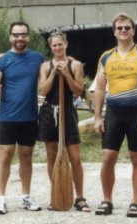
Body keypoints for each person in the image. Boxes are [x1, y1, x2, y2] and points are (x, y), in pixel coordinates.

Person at [93, 13, 137, 217]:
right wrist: (97, 116)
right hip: (114, 112)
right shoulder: (106, 57)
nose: (123, 31)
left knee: (136, 156)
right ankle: (107, 200)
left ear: (133, 30)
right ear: (114, 32)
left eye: (127, 28)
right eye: (119, 28)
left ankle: (135, 202)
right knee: (107, 157)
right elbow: (99, 87)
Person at [0, 21, 45, 215]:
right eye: (16, 35)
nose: (20, 38)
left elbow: (46, 81)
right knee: (5, 155)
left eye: (23, 35)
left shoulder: (38, 58)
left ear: (28, 36)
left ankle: (25, 196)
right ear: (10, 37)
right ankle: (0, 199)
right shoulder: (1, 60)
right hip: (7, 117)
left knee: (26, 157)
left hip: (29, 117)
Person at [38, 31, 90, 212]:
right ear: (51, 47)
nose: (58, 48)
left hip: (67, 111)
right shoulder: (45, 66)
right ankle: (57, 194)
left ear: (66, 44)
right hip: (48, 111)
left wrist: (67, 74)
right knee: (52, 154)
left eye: (60, 44)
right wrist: (54, 74)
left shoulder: (75, 65)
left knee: (75, 157)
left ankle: (80, 197)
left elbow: (78, 91)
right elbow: (43, 91)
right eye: (54, 45)